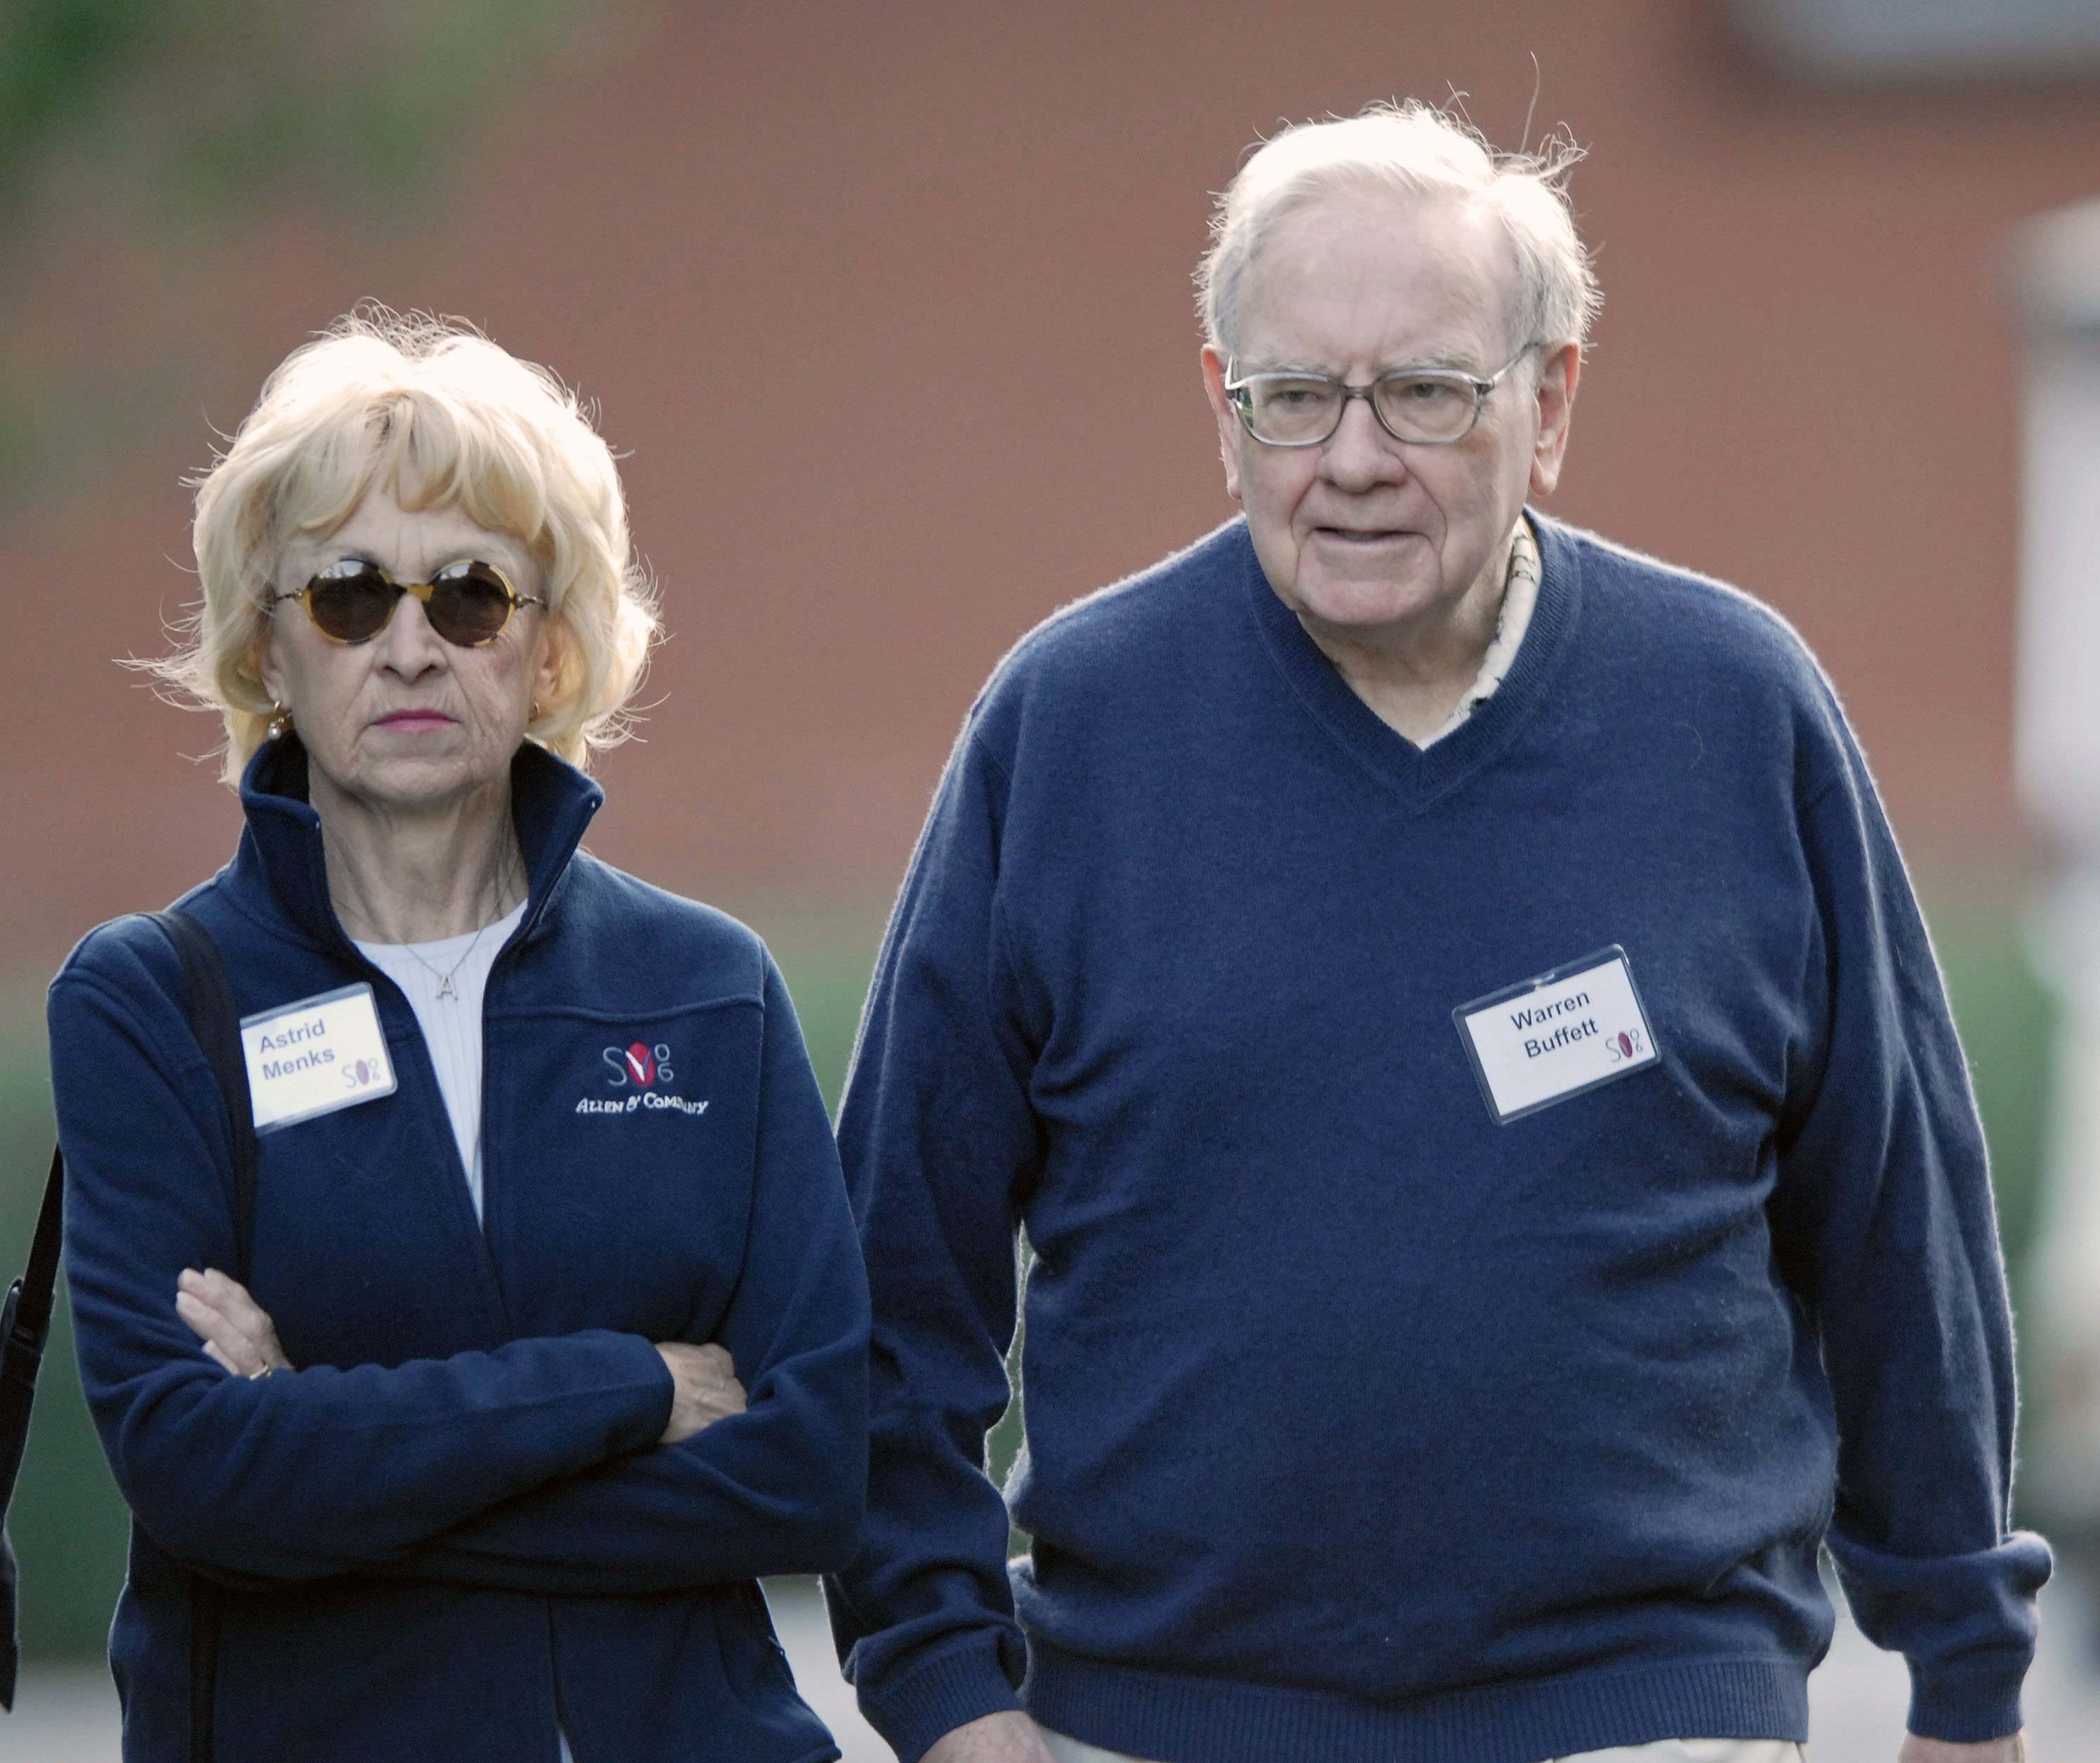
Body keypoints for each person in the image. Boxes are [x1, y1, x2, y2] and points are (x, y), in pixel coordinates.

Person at [823, 103, 2049, 1763]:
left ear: (1546, 402)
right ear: (1219, 405)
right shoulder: (1071, 728)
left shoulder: (1731, 711)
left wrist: (1965, 1679)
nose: (1349, 457)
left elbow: (1896, 1218)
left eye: (1421, 390)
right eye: (1293, 396)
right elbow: (897, 1265)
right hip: (1153, 1713)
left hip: (1648, 1702)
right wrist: (944, 1685)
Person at [51, 312, 868, 1762]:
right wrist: (619, 1386)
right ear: (268, 647)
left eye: (473, 595)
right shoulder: (149, 1000)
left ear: (548, 651)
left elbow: (807, 1465)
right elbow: (193, 1468)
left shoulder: (706, 986)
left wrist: (325, 1447)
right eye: (351, 596)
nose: (413, 646)